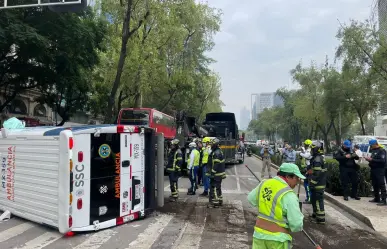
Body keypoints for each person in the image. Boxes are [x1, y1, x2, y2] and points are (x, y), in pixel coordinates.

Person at [247, 163, 305, 249]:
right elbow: (296, 225)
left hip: (259, 236)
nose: (297, 182)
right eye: (297, 178)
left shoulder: (264, 183)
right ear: (288, 177)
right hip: (278, 241)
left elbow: (251, 199)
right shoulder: (289, 195)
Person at [308, 140, 327, 224]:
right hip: (319, 182)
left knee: (318, 200)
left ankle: (321, 219)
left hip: (318, 184)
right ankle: (316, 213)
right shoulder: (318, 158)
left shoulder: (317, 159)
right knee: (314, 199)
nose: (311, 151)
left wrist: (312, 182)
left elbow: (317, 173)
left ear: (316, 149)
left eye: (312, 149)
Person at [364, 139, 387, 206]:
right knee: (375, 184)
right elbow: (373, 160)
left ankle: (384, 200)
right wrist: (369, 160)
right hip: (373, 169)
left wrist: (372, 159)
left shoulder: (382, 150)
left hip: (380, 170)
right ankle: (377, 198)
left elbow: (382, 160)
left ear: (375, 144)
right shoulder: (373, 150)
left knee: (381, 184)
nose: (370, 147)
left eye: (371, 145)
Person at [207, 137, 226, 207]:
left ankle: (215, 203)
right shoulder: (218, 151)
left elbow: (216, 164)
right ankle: (220, 200)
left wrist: (212, 173)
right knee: (218, 187)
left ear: (215, 145)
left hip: (216, 174)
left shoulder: (216, 153)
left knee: (214, 187)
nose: (211, 145)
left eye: (212, 144)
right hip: (218, 174)